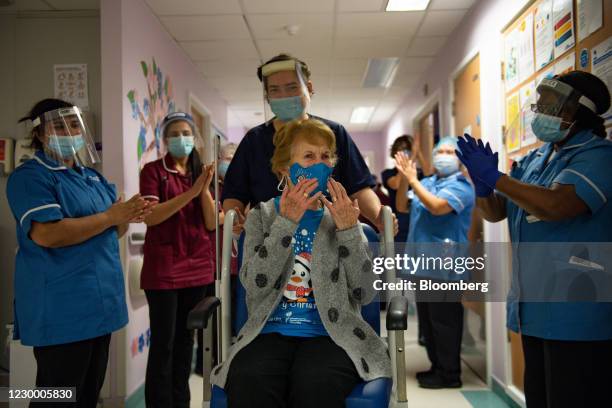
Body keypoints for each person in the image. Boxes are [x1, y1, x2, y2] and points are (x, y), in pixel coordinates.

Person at [456, 71, 612, 407]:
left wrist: (496, 177)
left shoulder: (599, 156)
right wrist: (482, 186)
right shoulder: (537, 158)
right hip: (535, 308)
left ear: (578, 111)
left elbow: (557, 204)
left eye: (551, 105)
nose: (541, 111)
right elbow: (496, 212)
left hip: (577, 311)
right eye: (540, 104)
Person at [210, 119, 391, 408]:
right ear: (284, 168)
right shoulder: (262, 216)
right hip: (269, 331)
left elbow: (365, 293)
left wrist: (348, 233)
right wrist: (286, 223)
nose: (320, 164)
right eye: (309, 156)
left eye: (325, 156)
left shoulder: (343, 217)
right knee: (249, 378)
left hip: (333, 334)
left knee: (316, 383)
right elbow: (254, 284)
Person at [6, 98, 150, 407]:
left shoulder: (93, 178)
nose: (69, 131)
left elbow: (113, 232)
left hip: (100, 305)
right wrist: (112, 216)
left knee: (87, 395)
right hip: (62, 308)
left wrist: (125, 216)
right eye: (58, 126)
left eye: (74, 125)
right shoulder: (30, 177)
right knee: (56, 397)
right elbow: (48, 233)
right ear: (41, 134)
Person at [221, 53, 396, 235]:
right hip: (270, 236)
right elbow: (234, 194)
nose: (284, 96)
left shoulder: (333, 134)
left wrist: (379, 218)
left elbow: (359, 188)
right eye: (275, 90)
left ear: (309, 88)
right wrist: (235, 219)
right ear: (267, 96)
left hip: (329, 236)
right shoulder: (254, 141)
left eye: (291, 87)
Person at [139, 112, 217, 408]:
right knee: (164, 344)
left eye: (186, 133)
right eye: (175, 133)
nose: (181, 138)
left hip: (196, 269)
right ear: (165, 140)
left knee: (187, 344)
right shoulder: (153, 171)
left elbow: (210, 223)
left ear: (195, 138)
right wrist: (193, 191)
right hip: (164, 271)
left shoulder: (201, 173)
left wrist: (204, 189)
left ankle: (180, 402)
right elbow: (152, 216)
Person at [395, 136, 475, 389]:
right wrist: (404, 177)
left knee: (445, 322)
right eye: (440, 150)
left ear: (460, 159)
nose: (444, 154)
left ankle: (450, 374)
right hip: (422, 264)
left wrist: (413, 180)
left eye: (451, 151)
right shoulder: (428, 182)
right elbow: (401, 206)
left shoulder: (462, 186)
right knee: (428, 322)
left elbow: (437, 207)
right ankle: (436, 367)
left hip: (445, 266)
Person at [381, 134, 424, 242]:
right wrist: (409, 160)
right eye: (400, 149)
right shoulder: (388, 173)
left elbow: (429, 174)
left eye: (406, 149)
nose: (404, 152)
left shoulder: (417, 172)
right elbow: (395, 184)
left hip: (418, 219)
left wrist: (418, 153)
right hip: (399, 223)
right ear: (394, 153)